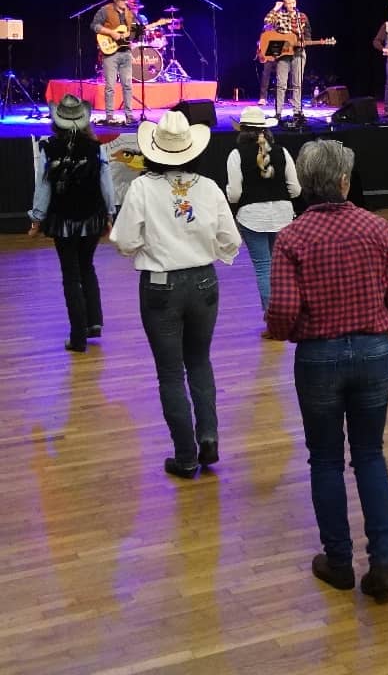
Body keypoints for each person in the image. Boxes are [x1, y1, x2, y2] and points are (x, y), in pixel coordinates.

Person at [265, 140, 388, 598]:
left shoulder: (292, 237)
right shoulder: (376, 227)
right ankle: (383, 562)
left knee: (325, 460)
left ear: (306, 186)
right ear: (344, 181)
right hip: (374, 353)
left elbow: (284, 312)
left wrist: (291, 330)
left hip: (319, 357)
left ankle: (340, 561)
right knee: (370, 455)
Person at [109, 111, 241, 478]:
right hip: (204, 282)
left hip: (160, 285)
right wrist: (207, 250)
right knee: (200, 361)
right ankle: (209, 435)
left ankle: (185, 455)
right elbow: (231, 241)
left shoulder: (142, 188)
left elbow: (123, 240)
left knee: (170, 373)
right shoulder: (209, 187)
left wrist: (148, 245)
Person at [28, 95, 116, 352]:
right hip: (92, 217)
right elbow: (106, 186)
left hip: (62, 219)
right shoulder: (96, 148)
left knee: (70, 274)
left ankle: (78, 336)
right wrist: (110, 214)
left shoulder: (49, 148)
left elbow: (43, 188)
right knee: (87, 266)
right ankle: (94, 322)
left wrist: (36, 219)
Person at [225, 106, 301, 316]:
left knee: (263, 267)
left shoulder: (236, 155)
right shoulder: (282, 152)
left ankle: (273, 317)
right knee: (281, 268)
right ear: (266, 131)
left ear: (242, 130)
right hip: (283, 216)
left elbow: (234, 196)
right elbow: (295, 190)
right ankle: (289, 312)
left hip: (252, 218)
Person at [90, 0, 137, 126]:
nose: (124, 1)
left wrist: (135, 33)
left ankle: (129, 116)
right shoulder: (105, 10)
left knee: (127, 85)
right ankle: (109, 115)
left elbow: (133, 33)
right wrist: (111, 33)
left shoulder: (131, 13)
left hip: (126, 52)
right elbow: (94, 26)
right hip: (110, 53)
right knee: (110, 86)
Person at [264, 0, 311, 120]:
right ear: (284, 3)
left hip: (299, 53)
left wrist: (303, 42)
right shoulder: (279, 15)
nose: (291, 5)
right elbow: (267, 23)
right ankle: (278, 113)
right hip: (283, 54)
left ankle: (297, 111)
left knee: (297, 84)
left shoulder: (302, 16)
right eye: (288, 2)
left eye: (293, 2)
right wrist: (275, 8)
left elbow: (307, 35)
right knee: (281, 84)